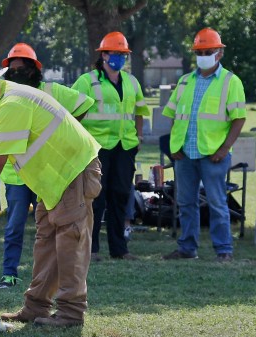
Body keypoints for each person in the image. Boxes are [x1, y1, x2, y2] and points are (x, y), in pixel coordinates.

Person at [0, 66, 102, 328]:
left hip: (72, 171)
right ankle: (35, 307)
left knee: (70, 242)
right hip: (54, 179)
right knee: (46, 241)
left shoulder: (12, 105)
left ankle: (71, 312)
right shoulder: (2, 105)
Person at [0, 43, 96, 288]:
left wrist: (62, 133)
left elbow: (84, 103)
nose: (16, 73)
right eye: (12, 69)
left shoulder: (51, 90)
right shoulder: (5, 99)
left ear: (33, 70)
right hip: (18, 175)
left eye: (21, 69)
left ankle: (46, 281)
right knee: (14, 227)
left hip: (46, 174)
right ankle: (9, 273)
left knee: (50, 228)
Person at [162, 28, 246, 262]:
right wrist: (174, 145)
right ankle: (187, 249)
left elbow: (239, 118)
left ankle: (224, 250)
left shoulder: (231, 82)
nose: (203, 55)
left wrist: (224, 149)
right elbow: (173, 114)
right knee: (186, 203)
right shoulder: (185, 81)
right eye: (199, 51)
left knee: (218, 203)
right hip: (185, 154)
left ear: (219, 53)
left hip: (213, 154)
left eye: (207, 51)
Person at [73, 32, 150, 262]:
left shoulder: (132, 82)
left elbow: (139, 112)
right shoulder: (87, 81)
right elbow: (71, 113)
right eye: (114, 53)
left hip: (124, 148)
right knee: (96, 198)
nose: (118, 57)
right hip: (96, 149)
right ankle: (92, 248)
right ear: (103, 54)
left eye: (122, 54)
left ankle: (120, 249)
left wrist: (138, 136)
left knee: (120, 196)